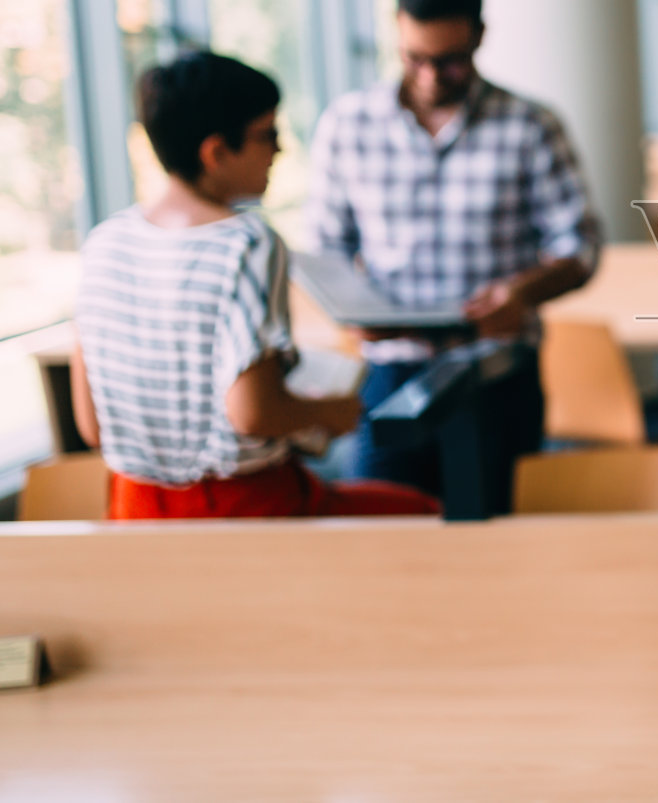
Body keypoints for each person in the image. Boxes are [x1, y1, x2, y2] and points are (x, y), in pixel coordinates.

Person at [70, 52, 440, 520]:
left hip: (134, 509)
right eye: (267, 135)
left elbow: (92, 425)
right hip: (241, 509)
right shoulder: (245, 244)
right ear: (216, 152)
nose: (280, 149)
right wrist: (331, 414)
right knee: (425, 513)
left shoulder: (104, 242)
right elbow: (253, 414)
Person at [304, 0, 600, 513]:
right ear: (397, 29)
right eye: (416, 58)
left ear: (479, 37)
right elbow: (326, 248)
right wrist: (348, 308)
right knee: (383, 543)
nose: (431, 77)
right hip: (389, 371)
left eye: (450, 61)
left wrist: (523, 293)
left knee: (498, 542)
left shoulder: (530, 124)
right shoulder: (346, 124)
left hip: (495, 372)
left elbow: (579, 249)